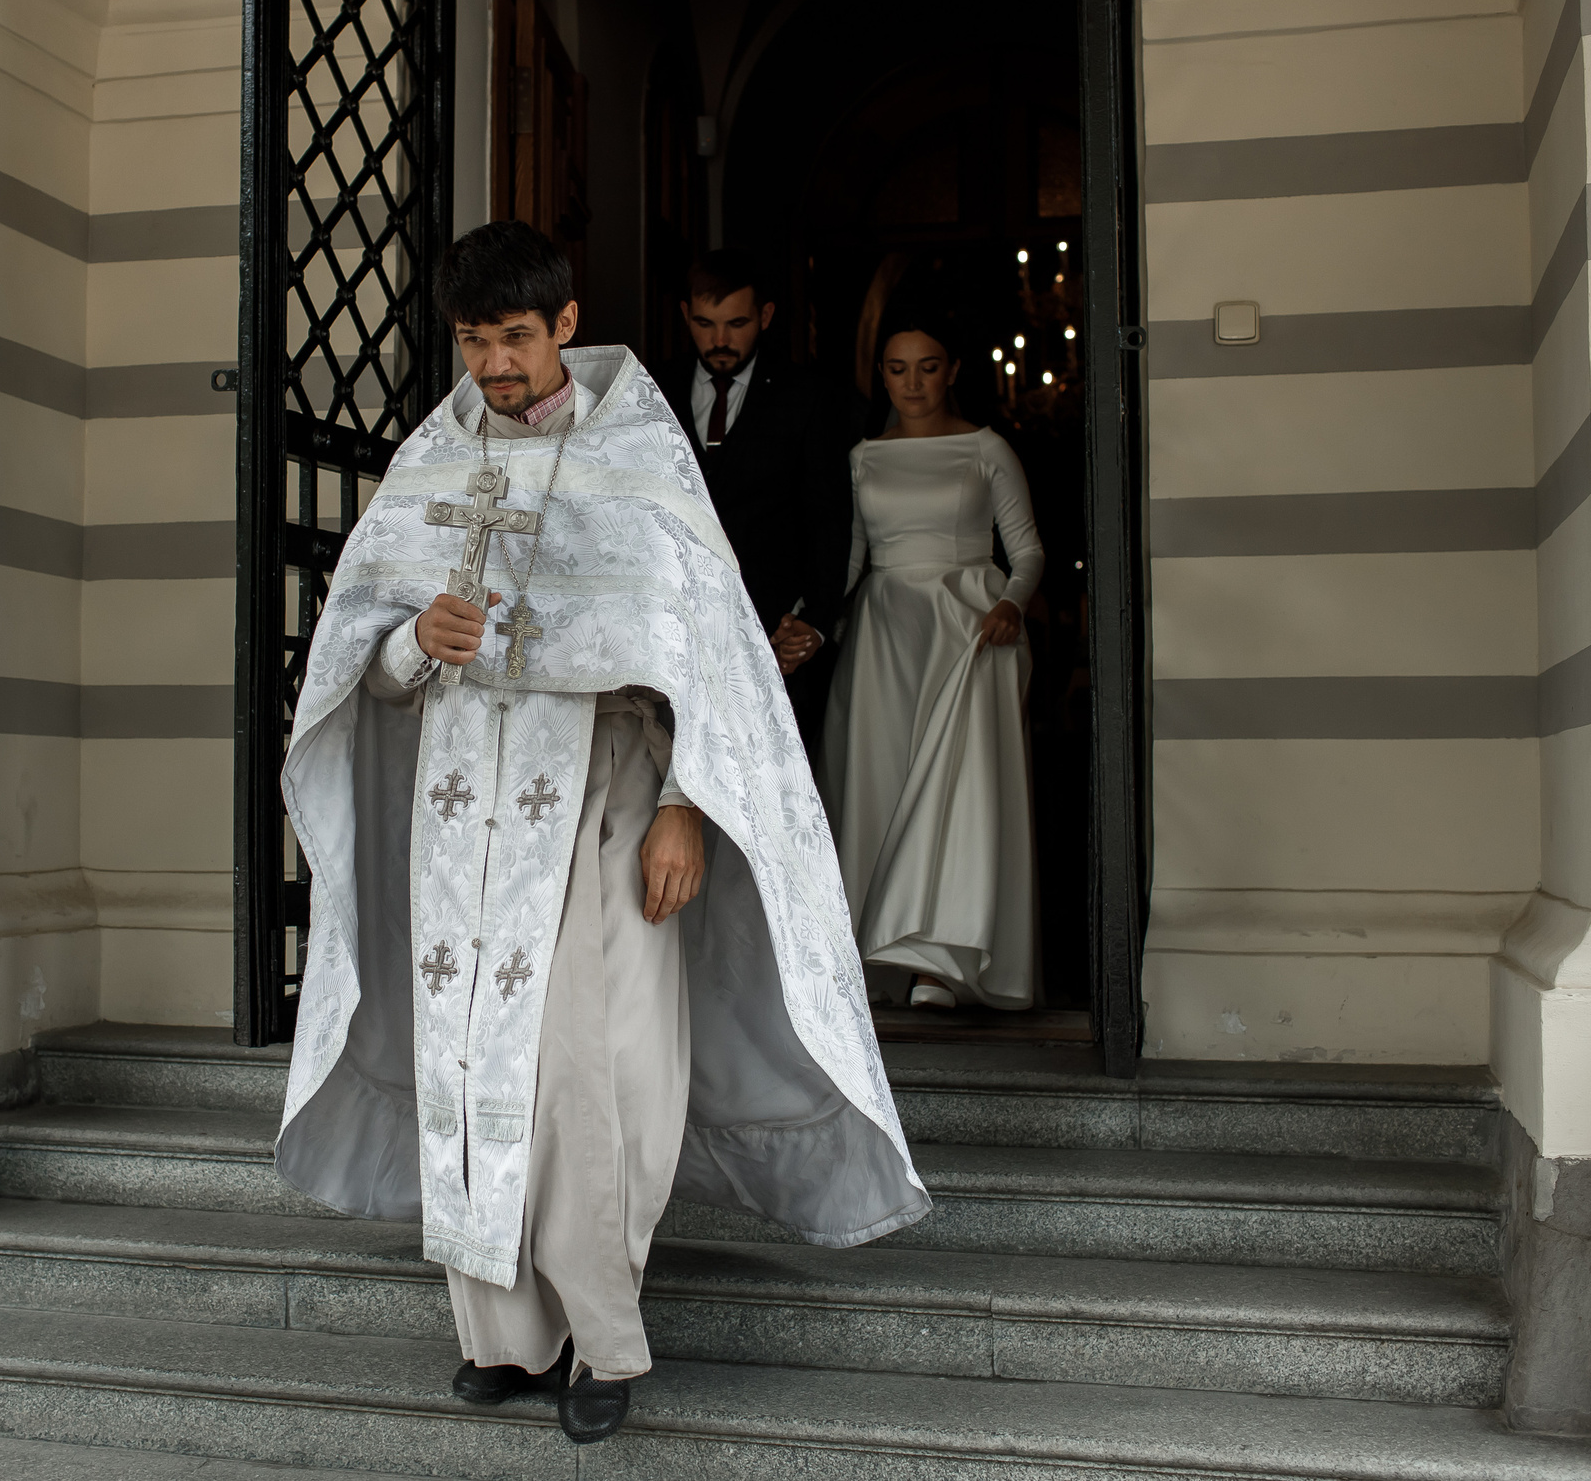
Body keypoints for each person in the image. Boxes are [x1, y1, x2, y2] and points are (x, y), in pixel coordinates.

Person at [272, 222, 927, 1445]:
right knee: (473, 1067)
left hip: (611, 797)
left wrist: (684, 808)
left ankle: (603, 1345)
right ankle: (502, 1336)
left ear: (566, 324)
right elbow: (366, 654)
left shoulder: (641, 456)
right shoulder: (434, 457)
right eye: (473, 342)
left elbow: (708, 656)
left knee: (596, 1074)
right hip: (465, 812)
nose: (493, 366)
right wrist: (420, 645)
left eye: (514, 339)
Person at [821, 319, 1046, 1011]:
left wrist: (1010, 602)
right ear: (881, 374)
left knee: (956, 786)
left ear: (952, 370)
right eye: (896, 368)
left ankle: (940, 959)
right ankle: (876, 958)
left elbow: (1029, 551)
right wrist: (815, 624)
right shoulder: (863, 456)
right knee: (881, 780)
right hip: (885, 630)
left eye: (926, 367)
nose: (911, 382)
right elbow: (852, 556)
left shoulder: (986, 449)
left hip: (968, 626)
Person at [654, 253, 856, 752]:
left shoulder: (807, 398)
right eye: (705, 323)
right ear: (685, 316)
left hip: (769, 637)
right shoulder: (653, 390)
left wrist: (814, 619)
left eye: (736, 323)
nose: (720, 339)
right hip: (670, 636)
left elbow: (829, 522)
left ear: (764, 317)